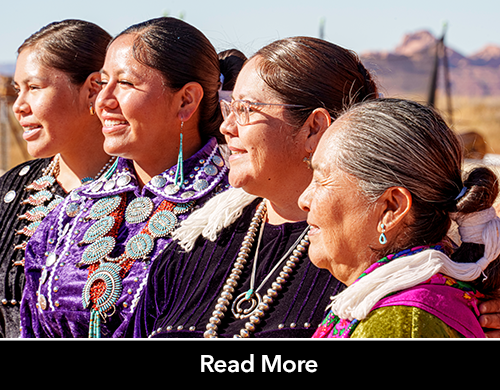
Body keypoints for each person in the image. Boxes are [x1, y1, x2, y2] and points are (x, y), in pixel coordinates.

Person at [126, 36, 380, 338]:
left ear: (313, 128)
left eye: (245, 110)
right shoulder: (195, 244)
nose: (226, 127)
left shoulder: (365, 261)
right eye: (228, 108)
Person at [20, 17, 233, 338]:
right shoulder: (69, 214)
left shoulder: (236, 209)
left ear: (186, 100)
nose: (103, 101)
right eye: (103, 82)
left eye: (126, 83)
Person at [299, 98, 500, 338]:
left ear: (391, 208)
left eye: (321, 180)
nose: (303, 199)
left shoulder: (400, 325)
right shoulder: (420, 300)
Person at [0, 19, 113, 338]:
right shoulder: (10, 190)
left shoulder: (146, 194)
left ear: (93, 89)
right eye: (16, 90)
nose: (18, 106)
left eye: (34, 88)